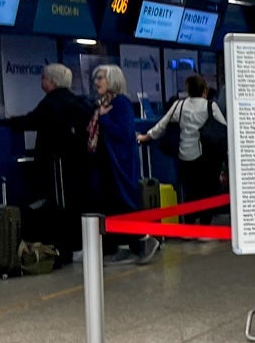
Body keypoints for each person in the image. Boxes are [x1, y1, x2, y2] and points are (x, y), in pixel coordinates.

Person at [0, 64, 92, 261]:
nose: (42, 82)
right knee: (76, 204)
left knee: (58, 206)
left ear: (51, 82)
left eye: (43, 78)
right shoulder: (78, 102)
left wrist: (5, 123)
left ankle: (65, 248)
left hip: (57, 165)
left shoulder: (52, 103)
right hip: (78, 164)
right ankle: (80, 245)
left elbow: (31, 121)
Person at [87, 65, 158, 263]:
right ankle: (124, 245)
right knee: (113, 206)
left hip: (121, 165)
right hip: (107, 165)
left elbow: (125, 134)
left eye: (101, 78)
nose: (97, 82)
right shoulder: (104, 103)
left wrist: (104, 118)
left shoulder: (121, 104)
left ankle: (142, 241)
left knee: (124, 204)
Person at [137, 74, 227, 222]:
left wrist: (146, 137)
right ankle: (205, 224)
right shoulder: (210, 106)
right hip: (205, 157)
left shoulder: (179, 105)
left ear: (188, 90)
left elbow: (162, 125)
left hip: (184, 155)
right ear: (204, 90)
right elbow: (224, 128)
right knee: (205, 191)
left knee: (188, 191)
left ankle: (190, 223)